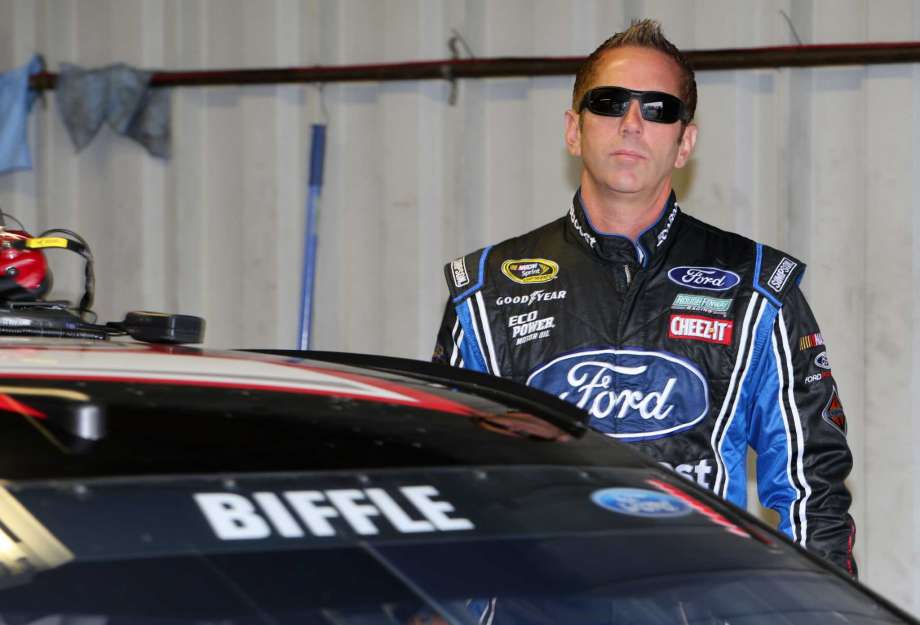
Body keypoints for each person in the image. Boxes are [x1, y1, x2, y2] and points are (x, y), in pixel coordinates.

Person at [433, 19, 857, 575]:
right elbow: (451, 485)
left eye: (658, 109)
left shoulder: (757, 288)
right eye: (609, 102)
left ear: (685, 142)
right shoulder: (486, 290)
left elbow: (812, 487)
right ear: (573, 129)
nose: (631, 124)